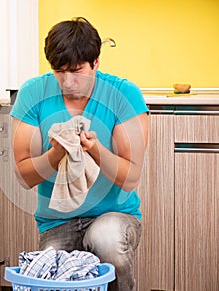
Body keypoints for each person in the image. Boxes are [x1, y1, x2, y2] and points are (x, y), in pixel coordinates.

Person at [11, 17, 149, 291]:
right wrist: (56, 154)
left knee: (106, 238)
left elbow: (130, 178)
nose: (68, 81)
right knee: (51, 274)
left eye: (76, 70)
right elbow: (25, 176)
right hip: (57, 220)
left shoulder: (123, 94)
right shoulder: (33, 93)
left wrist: (95, 150)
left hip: (114, 215)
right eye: (59, 71)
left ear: (96, 62)